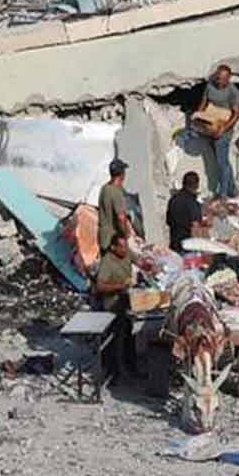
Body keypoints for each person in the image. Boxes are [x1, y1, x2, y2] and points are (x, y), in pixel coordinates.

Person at [93, 233, 137, 381]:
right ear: (113, 247)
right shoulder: (107, 262)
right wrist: (120, 286)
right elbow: (100, 286)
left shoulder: (125, 255)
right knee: (116, 339)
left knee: (130, 336)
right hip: (112, 305)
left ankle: (131, 366)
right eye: (122, 247)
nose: (125, 250)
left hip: (126, 302)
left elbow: (138, 261)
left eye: (126, 247)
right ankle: (114, 372)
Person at [196, 64, 239, 199]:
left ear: (228, 79)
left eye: (221, 79)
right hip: (210, 126)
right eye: (217, 78)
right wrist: (199, 116)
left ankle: (223, 194)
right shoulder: (210, 86)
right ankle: (232, 189)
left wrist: (224, 128)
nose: (218, 81)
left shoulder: (234, 92)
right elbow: (204, 102)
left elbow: (236, 114)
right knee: (223, 161)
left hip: (224, 130)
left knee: (222, 163)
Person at [166, 171, 205, 253]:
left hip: (174, 247)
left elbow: (168, 221)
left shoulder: (173, 200)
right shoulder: (193, 203)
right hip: (188, 249)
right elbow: (195, 228)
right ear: (196, 185)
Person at [97, 159, 130, 256]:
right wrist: (125, 234)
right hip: (114, 242)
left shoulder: (105, 188)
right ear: (122, 174)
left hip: (104, 239)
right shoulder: (116, 193)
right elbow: (121, 218)